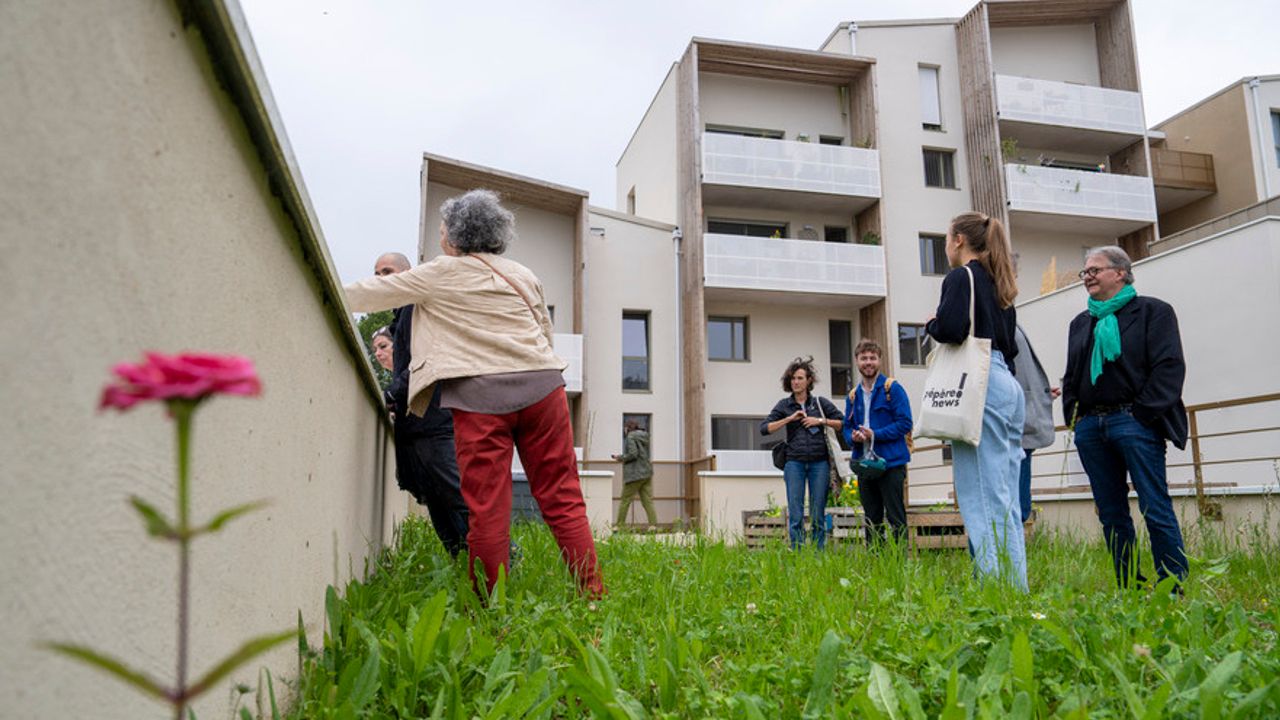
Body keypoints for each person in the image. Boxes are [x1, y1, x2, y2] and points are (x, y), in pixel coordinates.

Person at [345, 190, 603, 598]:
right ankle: (592, 594)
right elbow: (543, 332)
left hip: (480, 397)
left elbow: (369, 293)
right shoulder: (522, 273)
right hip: (544, 388)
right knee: (563, 497)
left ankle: (490, 605)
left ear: (454, 236)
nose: (441, 236)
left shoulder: (441, 271)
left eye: (442, 230)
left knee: (487, 509)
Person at [1063, 246, 1188, 588]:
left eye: (1095, 270)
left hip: (1135, 422)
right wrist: (1076, 417)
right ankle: (1129, 586)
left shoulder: (1153, 312)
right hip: (1091, 427)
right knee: (1111, 513)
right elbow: (1072, 375)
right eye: (1085, 272)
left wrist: (1141, 414)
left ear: (1120, 272)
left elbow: (1169, 368)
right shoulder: (1081, 323)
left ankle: (1171, 587)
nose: (1087, 276)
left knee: (1154, 506)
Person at [925, 211, 1027, 590]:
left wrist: (932, 324)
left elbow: (952, 329)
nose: (945, 247)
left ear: (958, 240)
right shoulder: (1001, 284)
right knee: (1004, 496)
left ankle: (996, 589)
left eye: (945, 240)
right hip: (1004, 383)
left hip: (979, 384)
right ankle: (1015, 586)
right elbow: (1011, 346)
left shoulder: (960, 277)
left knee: (980, 495)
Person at [372, 252, 470, 559]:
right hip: (416, 425)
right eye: (376, 274)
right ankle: (464, 563)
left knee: (456, 495)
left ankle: (508, 559)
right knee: (436, 499)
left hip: (433, 422)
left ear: (407, 273)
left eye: (387, 271)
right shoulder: (400, 317)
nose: (380, 278)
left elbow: (424, 361)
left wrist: (391, 394)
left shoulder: (417, 309)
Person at [761, 357, 843, 550]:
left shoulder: (820, 403)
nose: (795, 382)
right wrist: (789, 419)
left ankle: (818, 554)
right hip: (794, 463)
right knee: (795, 512)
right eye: (793, 378)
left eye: (800, 378)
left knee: (817, 512)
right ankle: (797, 553)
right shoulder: (784, 405)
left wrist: (820, 421)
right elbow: (764, 428)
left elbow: (843, 423)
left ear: (809, 381)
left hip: (819, 463)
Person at [842, 339, 913, 545]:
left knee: (895, 516)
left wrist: (875, 434)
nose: (868, 362)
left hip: (891, 463)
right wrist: (853, 437)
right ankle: (876, 559)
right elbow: (847, 427)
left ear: (879, 360)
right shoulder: (853, 396)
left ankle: (899, 560)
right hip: (865, 464)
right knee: (871, 518)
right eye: (863, 358)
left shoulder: (893, 389)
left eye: (872, 358)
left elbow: (905, 423)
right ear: (857, 361)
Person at [1012, 325, 1060, 523]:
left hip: (1020, 422)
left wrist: (1040, 394)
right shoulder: (989, 317)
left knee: (1019, 506)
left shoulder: (1009, 319)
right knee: (1014, 507)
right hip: (1012, 423)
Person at [611, 420, 656, 529]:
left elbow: (633, 454)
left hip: (635, 474)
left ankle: (619, 526)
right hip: (646, 473)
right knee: (647, 501)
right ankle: (653, 526)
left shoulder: (630, 436)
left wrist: (620, 457)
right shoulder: (643, 436)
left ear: (627, 428)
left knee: (625, 500)